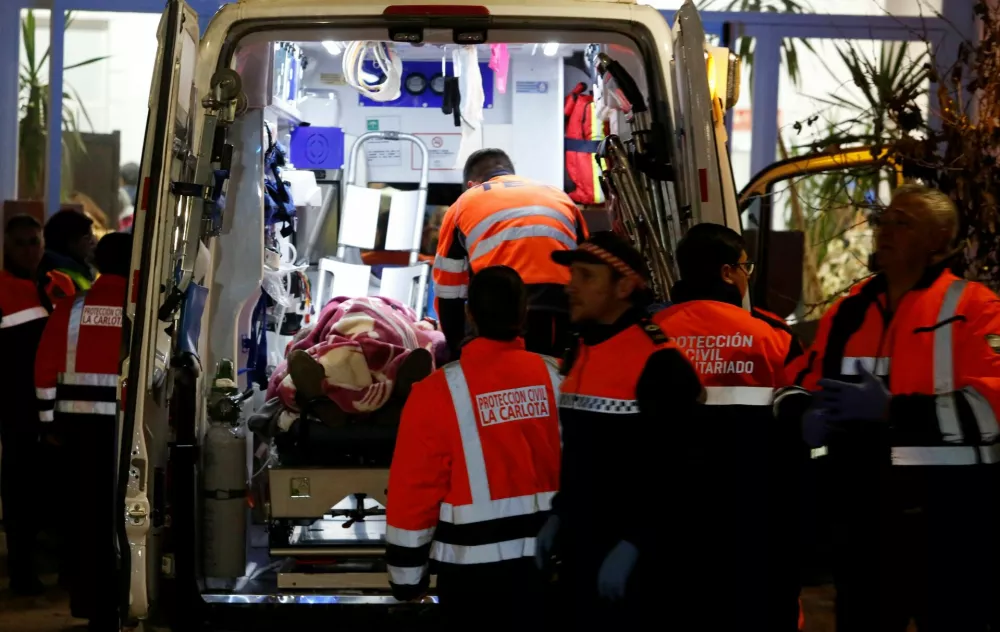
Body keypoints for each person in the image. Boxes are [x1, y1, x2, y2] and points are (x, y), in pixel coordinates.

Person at [774, 184, 1000, 631]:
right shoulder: (849, 311)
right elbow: (796, 379)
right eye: (884, 221)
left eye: (903, 222)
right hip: (863, 519)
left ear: (938, 239)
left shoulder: (976, 308)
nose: (886, 231)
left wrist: (893, 411)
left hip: (952, 520)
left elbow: (992, 408)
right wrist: (801, 414)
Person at [534, 231, 704, 627]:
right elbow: (583, 456)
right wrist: (560, 515)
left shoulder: (659, 362)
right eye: (571, 275)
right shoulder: (581, 351)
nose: (570, 286)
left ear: (624, 285)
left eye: (586, 276)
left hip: (640, 570)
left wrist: (637, 543)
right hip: (583, 554)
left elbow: (681, 471)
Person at [385, 265, 562, 628]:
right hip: (553, 568)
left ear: (469, 314)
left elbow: (414, 493)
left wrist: (406, 581)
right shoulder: (558, 377)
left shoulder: (436, 392)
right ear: (524, 311)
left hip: (473, 579)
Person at [653, 223, 805, 630]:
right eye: (744, 266)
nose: (745, 275)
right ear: (726, 272)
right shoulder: (774, 337)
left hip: (671, 522)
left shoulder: (650, 335)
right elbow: (801, 431)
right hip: (755, 519)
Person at [35, 232, 131, 629]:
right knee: (125, 516)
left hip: (77, 431)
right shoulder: (142, 311)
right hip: (127, 431)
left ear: (98, 263)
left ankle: (93, 607)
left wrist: (48, 423)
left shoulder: (71, 309)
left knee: (84, 518)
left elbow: (44, 369)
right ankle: (126, 599)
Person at [433, 148, 589, 360]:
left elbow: (449, 292)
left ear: (471, 185)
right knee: (554, 378)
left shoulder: (463, 204)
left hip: (501, 313)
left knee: (505, 376)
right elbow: (588, 263)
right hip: (562, 307)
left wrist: (455, 349)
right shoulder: (559, 196)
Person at [0, 215, 74, 595]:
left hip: (59, 407)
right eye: (21, 243)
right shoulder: (2, 290)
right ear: (7, 247)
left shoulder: (59, 284)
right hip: (17, 411)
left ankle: (60, 571)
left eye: (35, 242)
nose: (30, 250)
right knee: (19, 495)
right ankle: (23, 573)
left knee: (57, 493)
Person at [40, 208, 98, 291]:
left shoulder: (75, 271)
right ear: (72, 242)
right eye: (87, 238)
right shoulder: (61, 279)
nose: (92, 242)